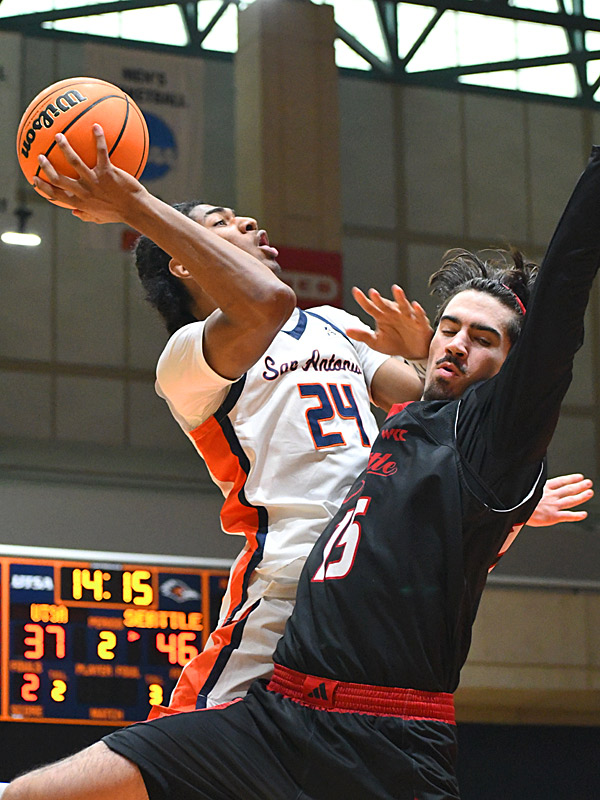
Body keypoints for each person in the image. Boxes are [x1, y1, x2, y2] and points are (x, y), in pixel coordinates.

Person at [6, 134, 600, 799]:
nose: (248, 221)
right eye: (222, 223)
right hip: (286, 584)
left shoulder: (328, 324)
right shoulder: (188, 357)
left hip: (377, 571)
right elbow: (264, 303)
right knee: (149, 772)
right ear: (184, 259)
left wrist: (501, 492)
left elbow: (445, 418)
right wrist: (134, 204)